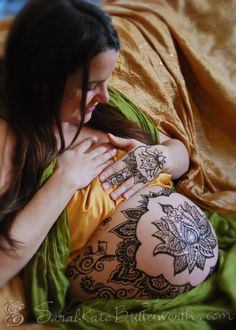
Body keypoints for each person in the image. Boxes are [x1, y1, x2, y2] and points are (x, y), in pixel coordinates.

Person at [0, 0, 218, 305]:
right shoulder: (10, 141)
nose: (104, 96)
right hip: (124, 308)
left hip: (203, 283)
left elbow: (180, 154)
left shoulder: (106, 107)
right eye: (91, 86)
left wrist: (159, 158)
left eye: (107, 81)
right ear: (42, 83)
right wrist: (65, 181)